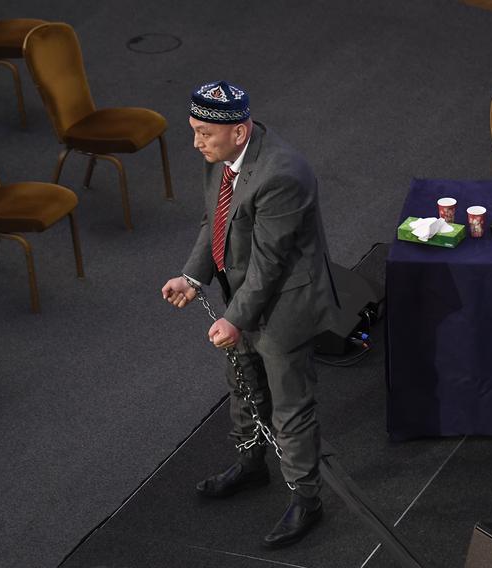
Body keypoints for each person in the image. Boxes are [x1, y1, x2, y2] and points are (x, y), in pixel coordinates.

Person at [161, 80, 339, 549]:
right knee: (242, 386)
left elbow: (269, 262)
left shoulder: (282, 174)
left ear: (239, 131)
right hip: (244, 297)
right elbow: (213, 221)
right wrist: (192, 277)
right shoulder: (221, 159)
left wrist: (235, 318)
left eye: (204, 133)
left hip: (285, 303)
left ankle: (307, 499)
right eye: (194, 130)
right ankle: (251, 464)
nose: (196, 142)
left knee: (290, 408)